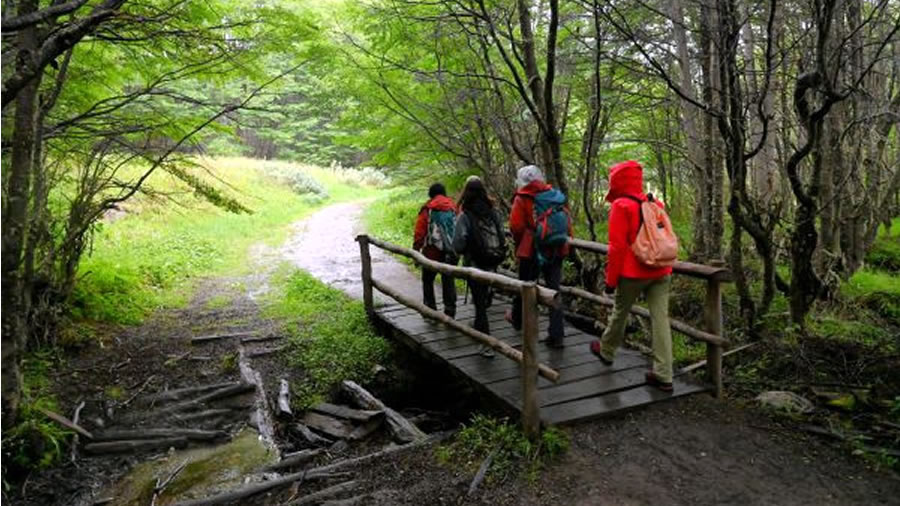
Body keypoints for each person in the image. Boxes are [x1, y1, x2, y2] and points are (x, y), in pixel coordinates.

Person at [589, 160, 674, 392]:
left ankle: (607, 350)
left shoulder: (621, 205)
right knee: (661, 320)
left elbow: (616, 248)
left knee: (620, 312)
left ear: (616, 181)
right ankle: (664, 374)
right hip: (661, 269)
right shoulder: (654, 202)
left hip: (633, 272)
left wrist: (610, 281)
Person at [507, 165, 571, 348]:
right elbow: (566, 220)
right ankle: (556, 334)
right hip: (557, 249)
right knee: (554, 290)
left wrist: (523, 242)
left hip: (531, 250)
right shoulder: (555, 195)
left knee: (525, 287)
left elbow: (516, 227)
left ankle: (519, 322)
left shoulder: (522, 198)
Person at [453, 177, 506, 358]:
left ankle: (485, 344)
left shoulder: (465, 215)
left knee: (480, 305)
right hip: (492, 261)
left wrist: (465, 250)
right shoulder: (494, 212)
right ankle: (480, 325)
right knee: (484, 299)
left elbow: (458, 244)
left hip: (475, 264)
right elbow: (502, 238)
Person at [413, 183, 458, 317]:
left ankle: (430, 309)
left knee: (427, 279)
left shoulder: (428, 208)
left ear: (431, 194)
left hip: (431, 251)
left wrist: (416, 249)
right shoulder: (453, 207)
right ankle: (450, 309)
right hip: (450, 251)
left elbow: (420, 232)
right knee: (448, 279)